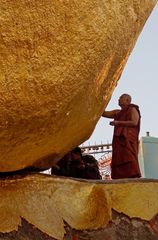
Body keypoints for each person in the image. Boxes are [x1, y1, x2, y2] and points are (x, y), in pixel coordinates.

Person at [102, 93, 141, 179]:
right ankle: (119, 176)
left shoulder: (132, 109)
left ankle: (132, 175)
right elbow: (103, 113)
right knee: (118, 156)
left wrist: (118, 122)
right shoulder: (117, 112)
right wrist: (102, 101)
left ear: (127, 100)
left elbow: (134, 122)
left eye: (121, 98)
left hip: (127, 138)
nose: (118, 99)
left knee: (129, 156)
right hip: (118, 138)